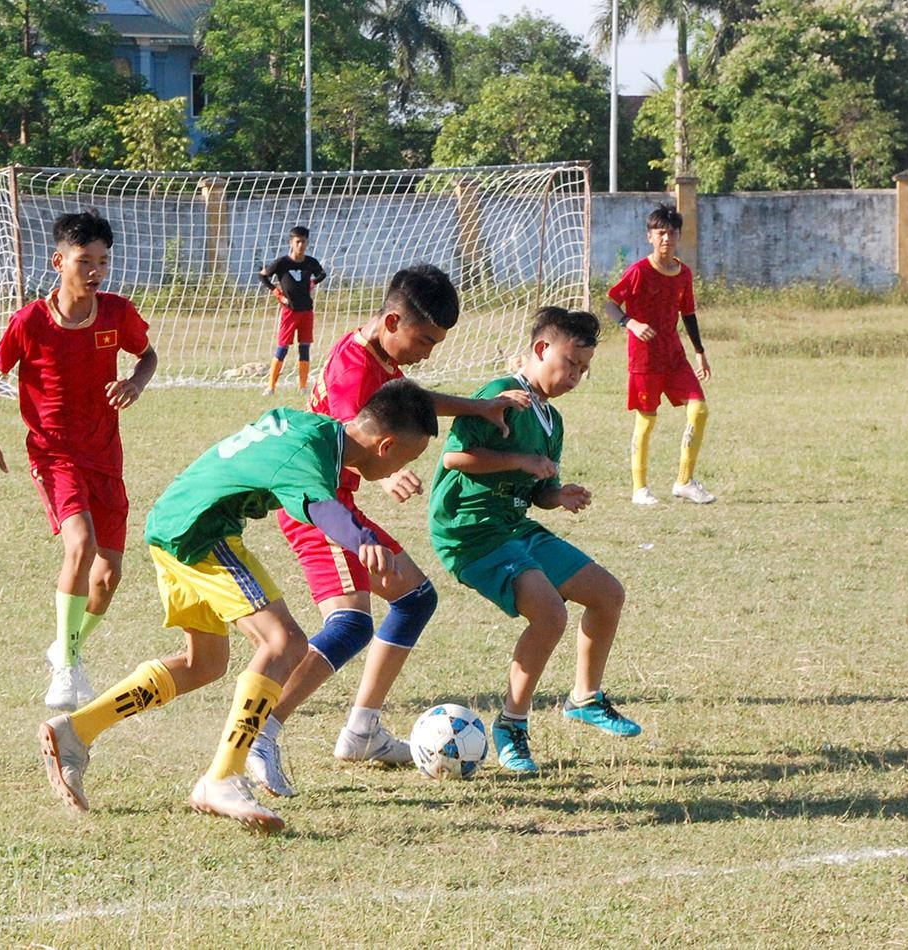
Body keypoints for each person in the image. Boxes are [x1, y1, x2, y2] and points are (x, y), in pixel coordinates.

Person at [37, 379, 439, 833]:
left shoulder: (310, 428)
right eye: (408, 457)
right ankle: (222, 777)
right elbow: (322, 508)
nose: (403, 469)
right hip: (199, 535)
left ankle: (76, 731)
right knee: (283, 640)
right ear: (385, 446)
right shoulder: (309, 459)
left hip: (174, 522)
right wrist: (364, 540)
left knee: (203, 663)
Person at [244, 263, 531, 798]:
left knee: (416, 598)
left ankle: (362, 731)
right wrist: (389, 473)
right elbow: (365, 434)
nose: (427, 352)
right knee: (351, 626)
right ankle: (261, 731)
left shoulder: (379, 352)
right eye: (423, 339)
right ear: (393, 319)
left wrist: (478, 406)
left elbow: (409, 402)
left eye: (435, 343)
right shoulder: (355, 369)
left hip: (338, 502)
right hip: (319, 508)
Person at [428, 306, 642, 775]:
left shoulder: (551, 420)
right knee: (550, 613)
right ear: (542, 349)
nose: (576, 377)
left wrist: (555, 494)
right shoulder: (498, 396)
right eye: (571, 363)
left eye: (584, 369)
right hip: (470, 531)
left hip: (514, 524)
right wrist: (521, 461)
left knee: (607, 594)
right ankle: (511, 725)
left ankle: (585, 698)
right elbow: (455, 458)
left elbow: (537, 491)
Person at [0, 209, 158, 712]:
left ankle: (65, 644)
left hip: (105, 456)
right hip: (53, 454)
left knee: (109, 576)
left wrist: (135, 382)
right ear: (58, 261)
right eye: (84, 260)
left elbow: (148, 356)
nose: (95, 270)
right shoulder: (30, 321)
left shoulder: (117, 313)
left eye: (103, 260)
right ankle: (67, 666)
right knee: (80, 543)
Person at [604, 203, 716, 506]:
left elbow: (689, 313)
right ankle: (640, 489)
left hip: (674, 356)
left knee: (700, 410)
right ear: (650, 236)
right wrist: (631, 323)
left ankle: (684, 481)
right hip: (645, 359)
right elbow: (610, 304)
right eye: (660, 233)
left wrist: (700, 351)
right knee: (647, 421)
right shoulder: (639, 271)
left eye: (672, 233)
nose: (666, 238)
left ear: (679, 236)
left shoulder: (684, 274)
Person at [258, 225, 327, 395]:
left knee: (304, 348)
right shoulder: (282, 263)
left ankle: (303, 387)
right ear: (291, 243)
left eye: (303, 242)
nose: (300, 245)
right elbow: (262, 275)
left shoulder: (311, 262)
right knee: (282, 348)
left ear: (307, 242)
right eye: (297, 242)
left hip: (306, 312)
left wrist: (313, 283)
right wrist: (276, 292)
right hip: (289, 312)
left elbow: (322, 273)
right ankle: (271, 387)